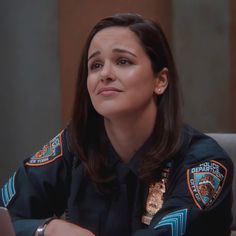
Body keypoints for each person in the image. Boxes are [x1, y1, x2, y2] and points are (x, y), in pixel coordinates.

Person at [0, 13, 233, 236]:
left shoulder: (205, 165)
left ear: (160, 81)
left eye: (123, 61)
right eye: (95, 65)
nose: (105, 74)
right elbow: (6, 215)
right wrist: (45, 229)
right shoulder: (75, 144)